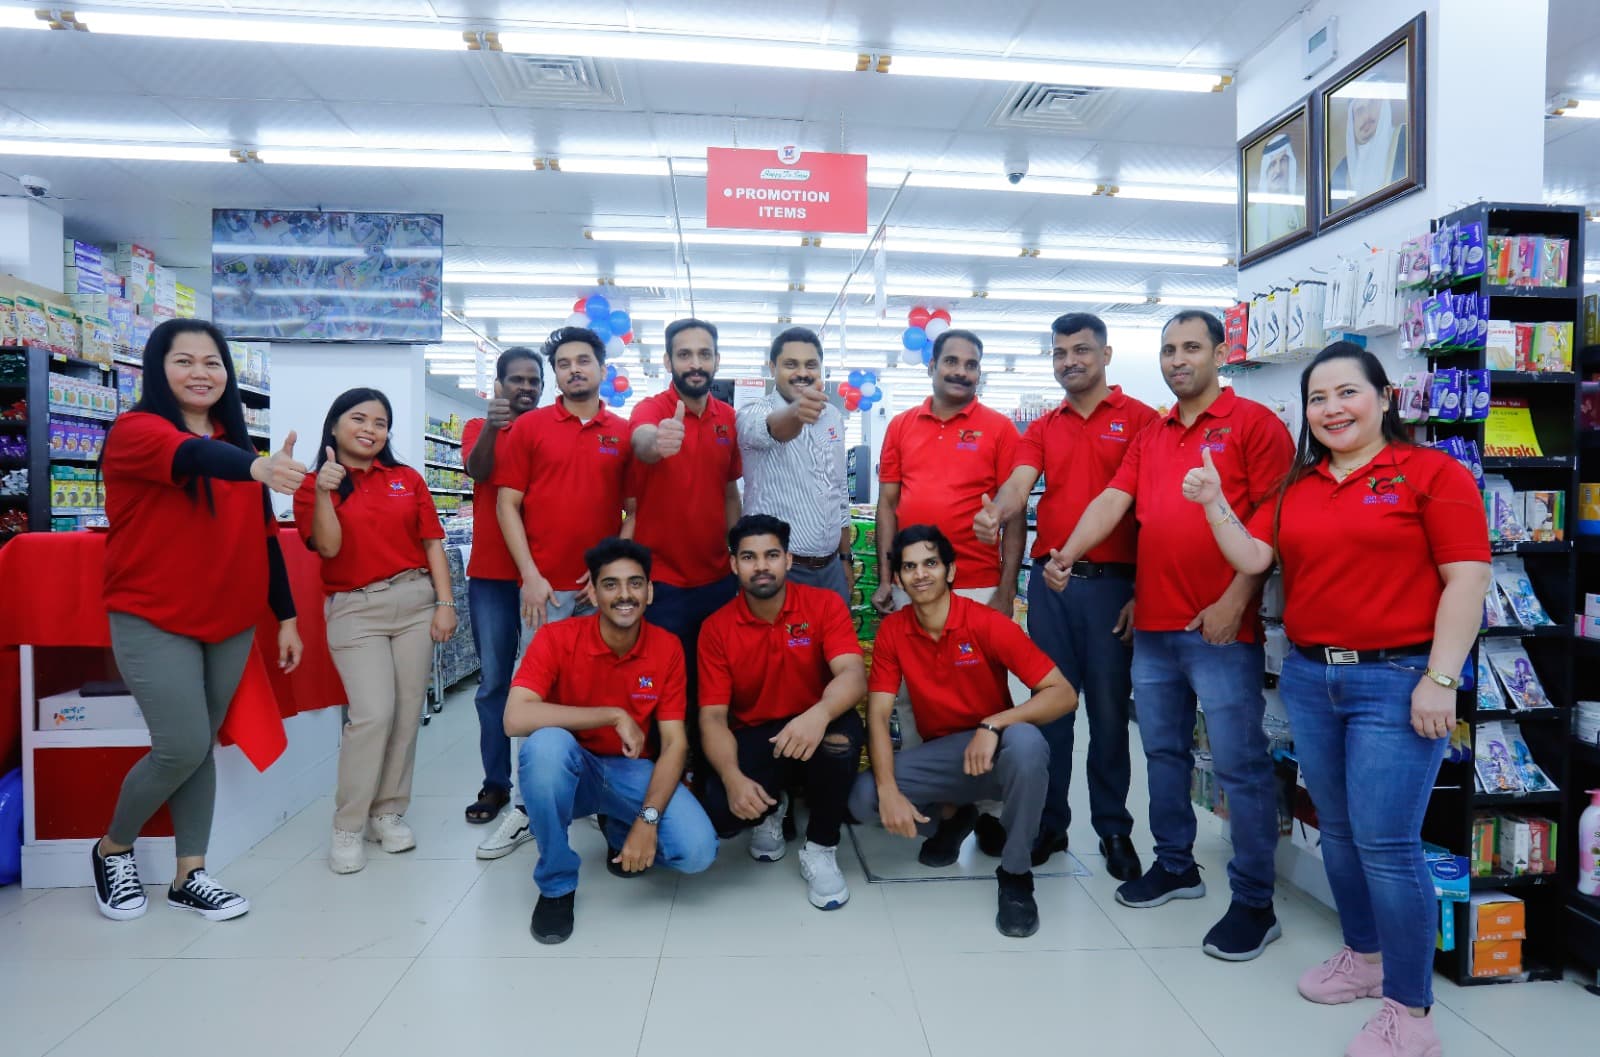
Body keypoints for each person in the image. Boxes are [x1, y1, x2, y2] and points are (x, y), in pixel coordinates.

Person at [1180, 342, 1489, 1055]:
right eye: (1319, 399)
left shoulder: (1432, 475)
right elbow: (1256, 559)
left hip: (1398, 680)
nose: (1332, 409)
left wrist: (1440, 678)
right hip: (1314, 679)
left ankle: (1411, 1013)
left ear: (1385, 398)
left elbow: (1467, 580)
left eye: (1347, 393)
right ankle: (1366, 957)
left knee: (1387, 843)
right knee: (1342, 832)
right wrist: (1217, 503)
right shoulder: (1300, 486)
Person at [1045, 310, 1294, 961]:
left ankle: (1254, 901)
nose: (1177, 359)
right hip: (1154, 627)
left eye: (1190, 347)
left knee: (1240, 765)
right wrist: (1067, 551)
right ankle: (1177, 863)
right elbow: (1113, 500)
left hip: (1219, 628)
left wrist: (1233, 601)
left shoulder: (1256, 426)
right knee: (1163, 755)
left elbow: (1270, 530)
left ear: (1220, 352)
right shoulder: (1152, 432)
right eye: (1167, 349)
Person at [93, 318, 306, 922]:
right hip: (152, 614)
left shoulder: (236, 446)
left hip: (230, 620)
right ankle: (112, 847)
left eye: (212, 362)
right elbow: (190, 456)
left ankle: (191, 873)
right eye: (183, 361)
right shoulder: (138, 431)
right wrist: (256, 467)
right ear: (159, 370)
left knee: (198, 748)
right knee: (180, 744)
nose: (200, 373)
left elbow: (266, 541)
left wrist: (285, 618)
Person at [972, 312, 1158, 879]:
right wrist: (998, 511)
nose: (1069, 361)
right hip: (1049, 587)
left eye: (1081, 350)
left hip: (1112, 588)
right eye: (1059, 353)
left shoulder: (1143, 421)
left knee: (1107, 716)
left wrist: (1142, 592)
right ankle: (1047, 824)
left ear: (1106, 354)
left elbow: (1152, 515)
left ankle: (1114, 829)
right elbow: (1020, 481)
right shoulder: (1044, 426)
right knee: (1049, 710)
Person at [848, 525, 1076, 938]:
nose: (920, 574)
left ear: (950, 571)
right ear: (898, 578)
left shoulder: (986, 623)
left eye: (930, 563)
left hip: (994, 754)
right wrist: (887, 790)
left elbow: (1063, 694)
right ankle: (952, 820)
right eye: (910, 567)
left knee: (1027, 743)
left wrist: (995, 723)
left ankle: (1016, 875)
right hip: (944, 758)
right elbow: (878, 716)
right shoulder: (894, 632)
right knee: (864, 799)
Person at [507, 538, 717, 945]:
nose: (625, 595)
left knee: (697, 853)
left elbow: (675, 744)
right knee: (545, 747)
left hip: (630, 771)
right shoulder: (557, 637)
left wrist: (648, 822)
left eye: (635, 584)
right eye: (611, 585)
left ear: (650, 591)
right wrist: (612, 714)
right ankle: (556, 883)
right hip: (572, 769)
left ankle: (620, 825)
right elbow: (514, 718)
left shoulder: (666, 646)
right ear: (595, 592)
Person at [294, 388, 458, 875]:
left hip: (414, 601)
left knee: (408, 712)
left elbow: (432, 545)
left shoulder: (406, 479)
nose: (370, 429)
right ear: (335, 425)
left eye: (380, 422)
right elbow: (327, 547)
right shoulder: (312, 485)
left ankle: (387, 812)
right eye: (359, 418)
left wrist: (444, 604)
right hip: (355, 609)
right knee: (372, 714)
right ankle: (347, 825)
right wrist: (324, 490)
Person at [697, 515, 867, 909]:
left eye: (771, 555)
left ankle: (821, 848)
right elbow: (711, 718)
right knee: (721, 816)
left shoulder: (824, 604)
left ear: (788, 560)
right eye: (750, 557)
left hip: (814, 726)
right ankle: (771, 807)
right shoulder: (716, 628)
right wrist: (732, 777)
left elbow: (853, 675)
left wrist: (819, 713)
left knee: (840, 739)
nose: (761, 566)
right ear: (734, 565)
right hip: (756, 736)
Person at [627, 318, 743, 763]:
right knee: (664, 686)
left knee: (713, 687)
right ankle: (658, 775)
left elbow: (729, 491)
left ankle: (704, 771)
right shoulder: (651, 409)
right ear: (668, 361)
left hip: (717, 580)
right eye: (684, 354)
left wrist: (736, 555)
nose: (695, 364)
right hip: (664, 583)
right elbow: (640, 442)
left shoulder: (728, 419)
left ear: (716, 360)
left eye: (704, 354)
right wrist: (659, 439)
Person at [875, 329, 1023, 618]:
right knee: (913, 663)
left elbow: (1015, 516)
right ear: (932, 366)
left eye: (971, 365)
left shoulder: (1000, 428)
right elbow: (887, 506)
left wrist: (1006, 592)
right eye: (951, 361)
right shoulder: (900, 426)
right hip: (911, 580)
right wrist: (885, 579)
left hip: (978, 586)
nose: (961, 372)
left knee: (976, 663)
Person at [459, 347, 542, 860]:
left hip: (542, 577)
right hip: (491, 576)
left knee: (541, 683)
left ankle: (539, 790)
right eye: (516, 380)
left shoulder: (553, 430)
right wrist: (493, 425)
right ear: (499, 382)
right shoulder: (478, 426)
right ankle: (496, 782)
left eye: (534, 379)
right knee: (494, 683)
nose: (526, 388)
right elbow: (476, 470)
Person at [494, 326, 632, 635]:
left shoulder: (624, 433)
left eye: (583, 361)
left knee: (602, 679)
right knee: (540, 680)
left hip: (602, 587)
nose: (574, 370)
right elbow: (506, 505)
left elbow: (636, 511)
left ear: (603, 369)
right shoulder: (529, 427)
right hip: (544, 589)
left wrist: (608, 566)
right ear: (556, 374)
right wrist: (529, 575)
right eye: (564, 364)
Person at [736, 326, 852, 604]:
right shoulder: (751, 414)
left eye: (811, 365)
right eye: (791, 364)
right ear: (773, 367)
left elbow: (838, 492)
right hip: (780, 572)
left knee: (833, 647)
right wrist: (796, 412)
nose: (802, 372)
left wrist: (846, 558)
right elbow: (774, 428)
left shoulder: (833, 416)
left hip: (832, 569)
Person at [1330, 96, 1407, 204]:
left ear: (1384, 106)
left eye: (1372, 103)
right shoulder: (1343, 170)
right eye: (1359, 111)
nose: (1366, 116)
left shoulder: (1407, 139)